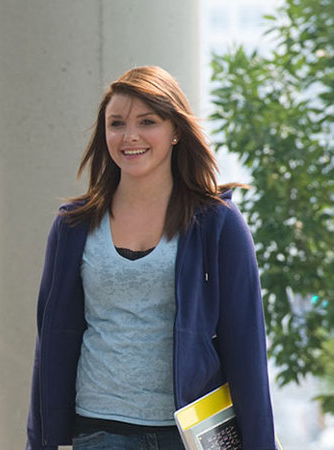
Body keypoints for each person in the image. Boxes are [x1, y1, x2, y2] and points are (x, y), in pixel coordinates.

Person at [26, 66, 278, 449]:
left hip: (189, 433)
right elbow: (52, 344)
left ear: (176, 130)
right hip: (98, 430)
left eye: (148, 121)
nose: (130, 136)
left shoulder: (217, 224)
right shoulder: (73, 227)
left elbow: (246, 347)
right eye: (116, 124)